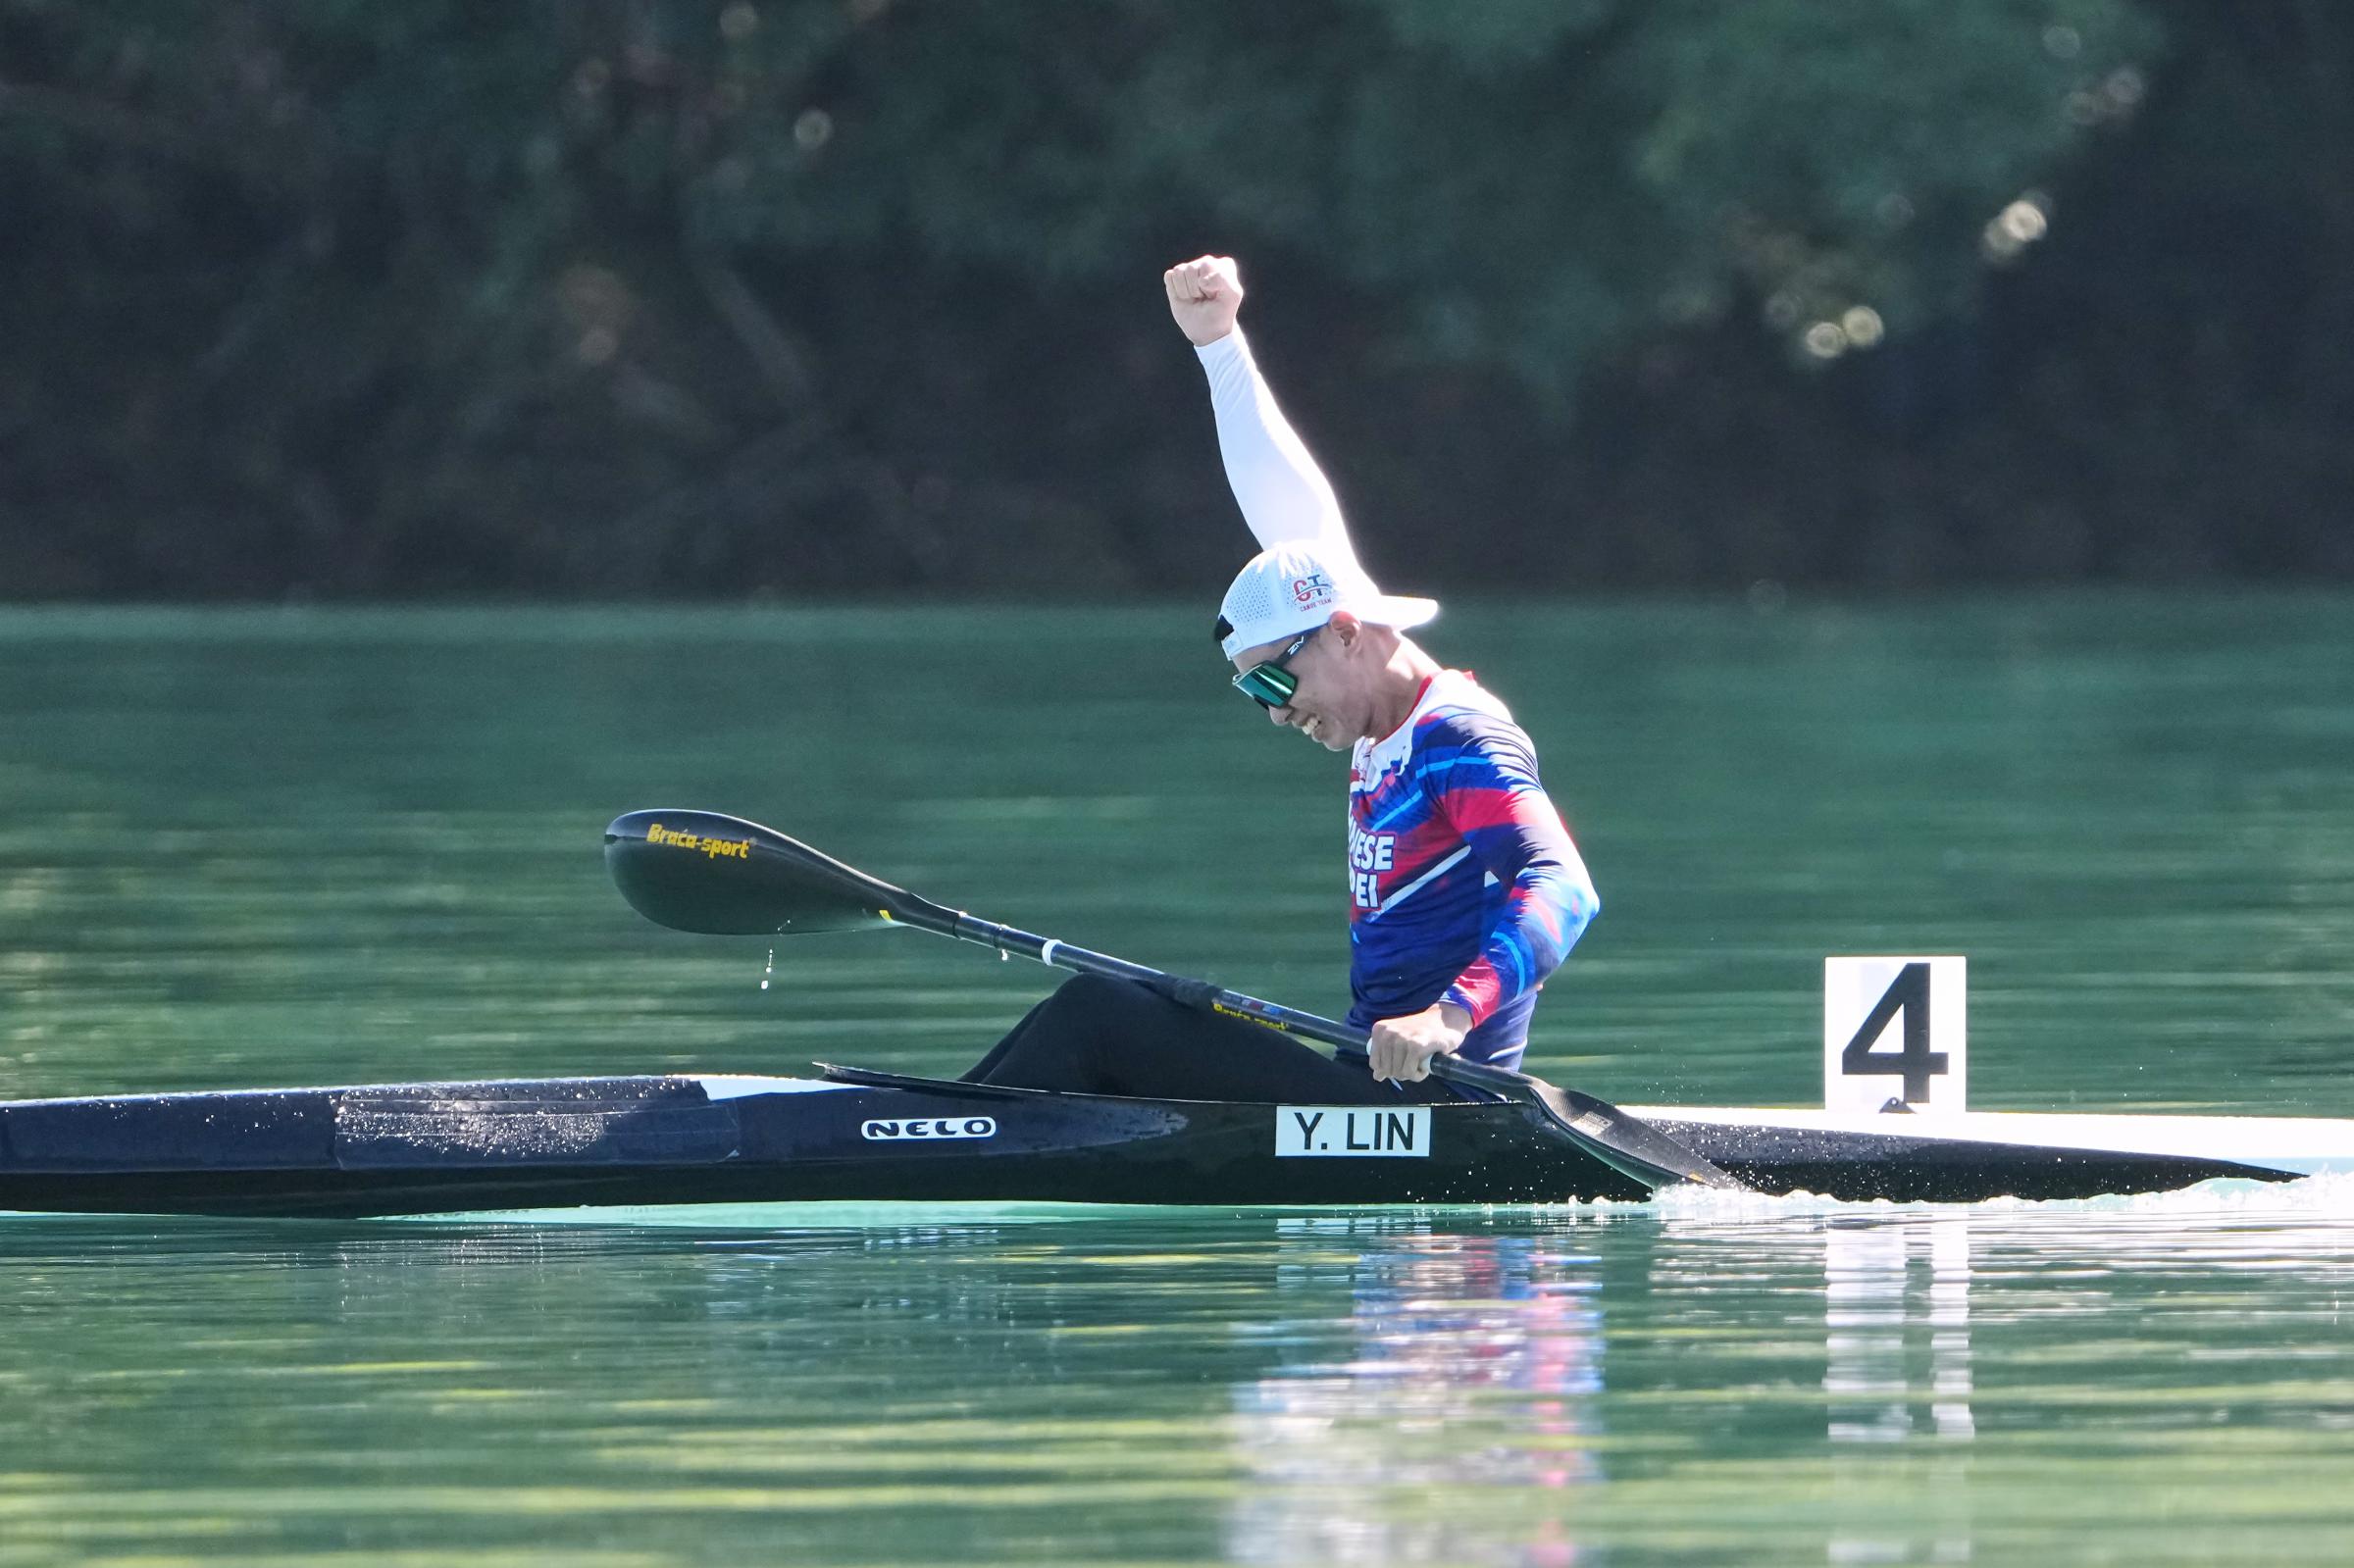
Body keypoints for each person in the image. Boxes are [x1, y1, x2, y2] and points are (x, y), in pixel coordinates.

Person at [960, 255, 1598, 1101]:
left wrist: (1446, 1017)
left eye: (1270, 683)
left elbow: (1564, 885)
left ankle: (902, 1141)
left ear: (1341, 633)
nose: (1272, 713)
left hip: (1444, 1099)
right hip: (1367, 1076)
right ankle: (911, 1122)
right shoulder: (1377, 705)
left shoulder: (1457, 738)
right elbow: (1290, 515)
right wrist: (1218, 346)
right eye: (1250, 691)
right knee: (1116, 1015)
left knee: (1096, 1017)